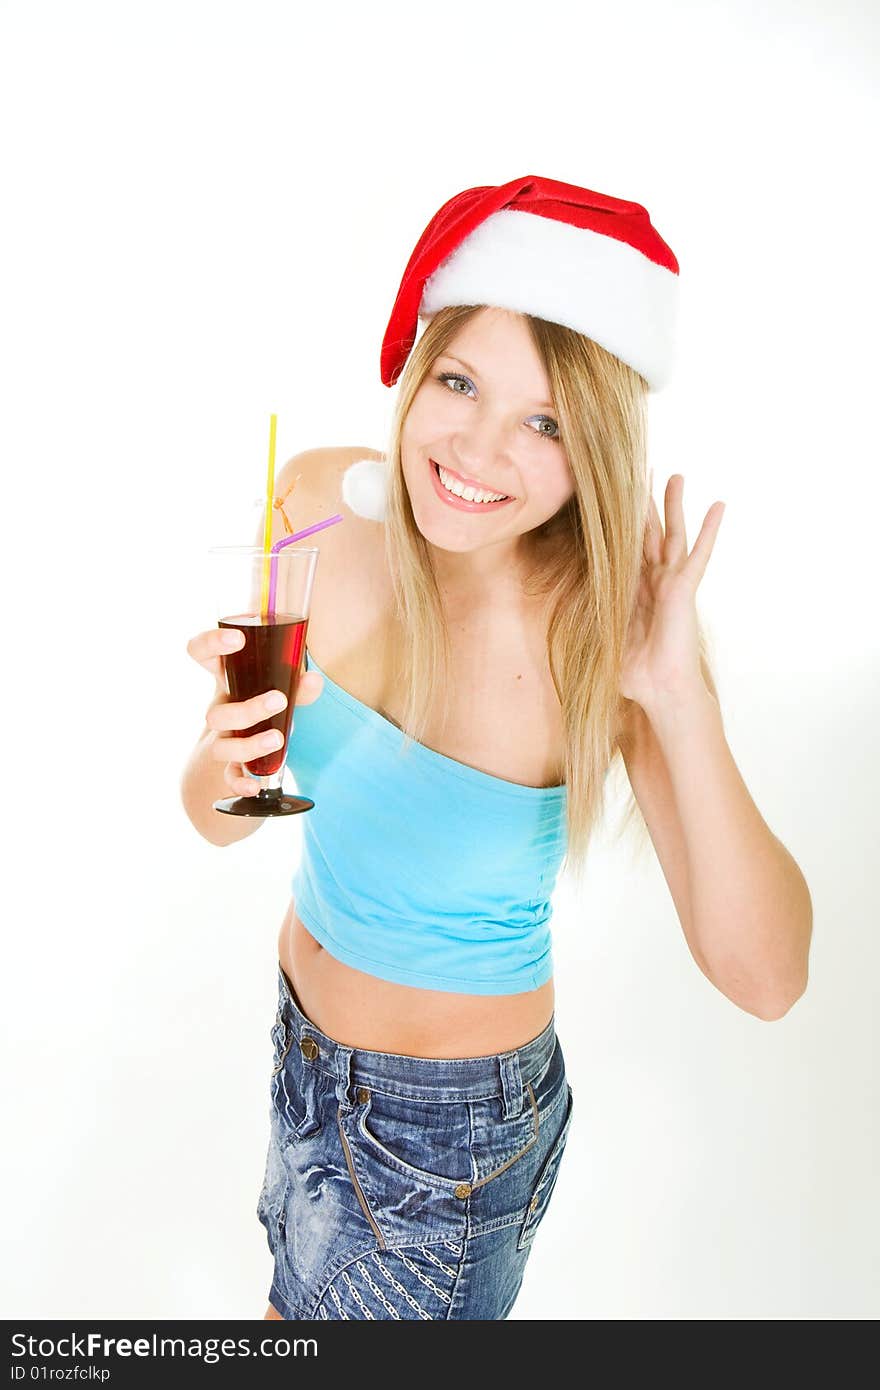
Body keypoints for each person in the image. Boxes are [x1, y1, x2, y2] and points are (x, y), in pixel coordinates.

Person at [180, 174, 812, 1320]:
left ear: (593, 455)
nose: (476, 447)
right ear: (417, 370)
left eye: (544, 422)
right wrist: (221, 768)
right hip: (300, 1055)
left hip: (446, 1138)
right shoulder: (316, 499)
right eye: (460, 382)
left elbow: (766, 978)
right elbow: (222, 810)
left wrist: (676, 697)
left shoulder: (604, 626)